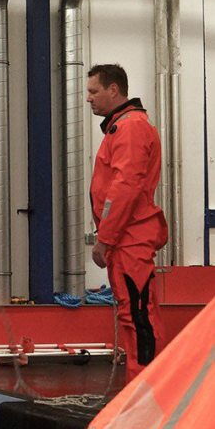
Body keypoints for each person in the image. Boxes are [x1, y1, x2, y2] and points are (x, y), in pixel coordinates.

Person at [86, 64, 168, 383]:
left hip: (129, 240)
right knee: (133, 313)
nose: (89, 98)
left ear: (114, 91)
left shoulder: (130, 128)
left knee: (138, 316)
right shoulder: (123, 127)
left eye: (94, 91)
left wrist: (104, 239)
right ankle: (142, 387)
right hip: (126, 239)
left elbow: (125, 187)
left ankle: (146, 389)